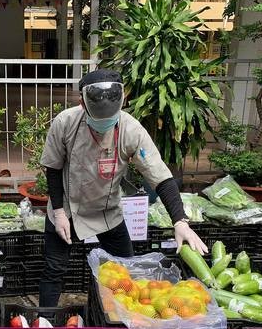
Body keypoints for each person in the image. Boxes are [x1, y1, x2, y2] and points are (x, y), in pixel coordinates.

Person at [38, 69, 208, 307]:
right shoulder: (65, 122)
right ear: (82, 105)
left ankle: (117, 323)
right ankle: (45, 324)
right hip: (67, 209)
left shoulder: (131, 130)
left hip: (107, 210)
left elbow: (160, 177)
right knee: (54, 269)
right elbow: (53, 168)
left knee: (125, 270)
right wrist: (58, 213)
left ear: (123, 101)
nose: (103, 125)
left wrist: (179, 221)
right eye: (97, 119)